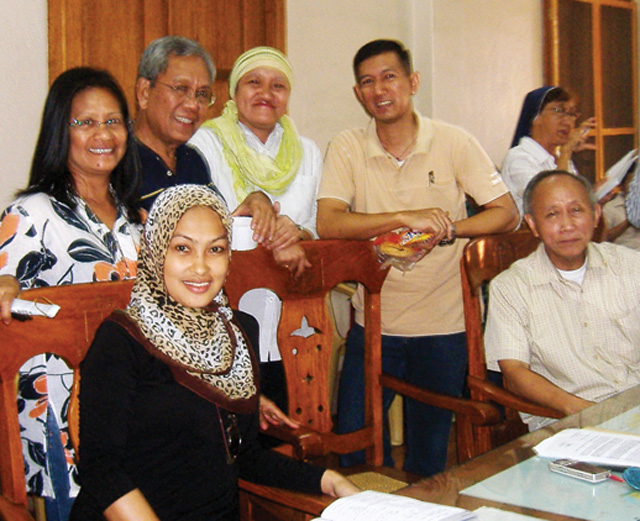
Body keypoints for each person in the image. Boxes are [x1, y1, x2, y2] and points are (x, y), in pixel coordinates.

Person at [69, 184, 358, 521]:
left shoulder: (239, 333)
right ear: (155, 250)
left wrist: (329, 481)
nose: (201, 268)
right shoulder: (122, 339)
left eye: (216, 249)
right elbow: (101, 469)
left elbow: (245, 456)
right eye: (182, 248)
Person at [317, 39, 519, 477]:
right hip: (374, 325)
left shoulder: (453, 142)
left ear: (412, 82)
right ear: (358, 93)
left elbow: (508, 213)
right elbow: (329, 223)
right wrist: (403, 216)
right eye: (367, 81)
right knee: (357, 450)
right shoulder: (347, 146)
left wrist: (449, 231)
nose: (379, 89)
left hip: (444, 327)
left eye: (389, 76)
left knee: (430, 458)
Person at [0, 67, 142, 520]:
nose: (103, 133)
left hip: (128, 411)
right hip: (59, 417)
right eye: (85, 122)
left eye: (114, 120)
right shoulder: (31, 213)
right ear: (60, 131)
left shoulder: (132, 219)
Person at [134, 36, 292, 428]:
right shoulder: (118, 162)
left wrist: (256, 201)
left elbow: (216, 230)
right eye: (181, 90)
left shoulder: (193, 162)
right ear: (143, 91)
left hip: (202, 330)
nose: (193, 105)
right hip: (144, 345)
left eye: (202, 94)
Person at [189, 46, 320, 415]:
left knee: (282, 417)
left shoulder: (308, 151)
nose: (266, 93)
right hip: (225, 309)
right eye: (254, 82)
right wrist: (255, 219)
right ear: (234, 91)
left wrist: (296, 234)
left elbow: (313, 224)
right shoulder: (204, 143)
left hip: (294, 317)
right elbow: (199, 225)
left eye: (278, 85)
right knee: (228, 425)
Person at [484, 170, 640, 431]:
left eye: (576, 210)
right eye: (552, 214)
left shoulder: (631, 266)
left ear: (596, 215)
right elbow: (513, 373)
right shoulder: (512, 288)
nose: (567, 225)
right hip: (567, 423)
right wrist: (584, 412)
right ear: (533, 224)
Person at [502, 86, 596, 216]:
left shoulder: (559, 157)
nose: (568, 121)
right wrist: (567, 150)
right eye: (559, 111)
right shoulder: (518, 158)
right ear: (535, 117)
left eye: (572, 114)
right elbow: (554, 201)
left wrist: (597, 194)